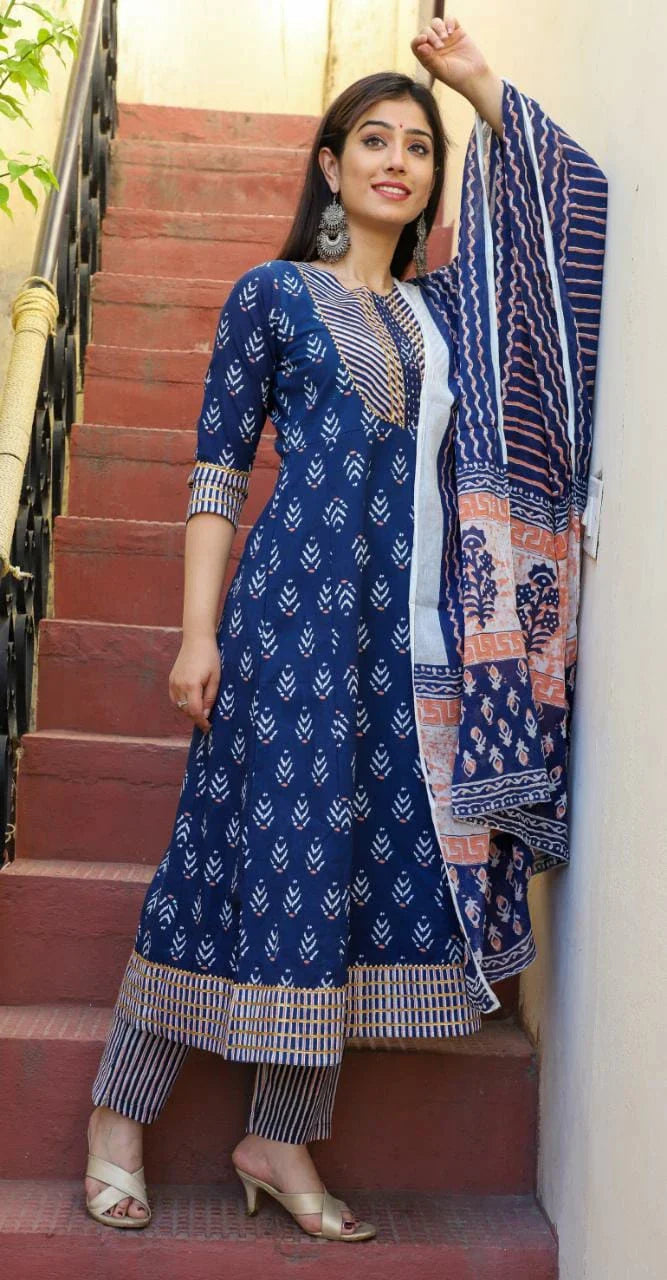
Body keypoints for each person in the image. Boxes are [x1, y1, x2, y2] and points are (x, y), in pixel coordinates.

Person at [83, 14, 607, 1243]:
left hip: (406, 643)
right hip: (285, 622)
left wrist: (476, 84)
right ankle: (118, 1113)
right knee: (221, 859)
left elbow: (560, 223)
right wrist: (196, 635)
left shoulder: (446, 316)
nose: (395, 162)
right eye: (372, 140)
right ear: (329, 164)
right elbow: (218, 473)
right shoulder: (272, 295)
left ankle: (280, 1133)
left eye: (417, 148)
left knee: (342, 874)